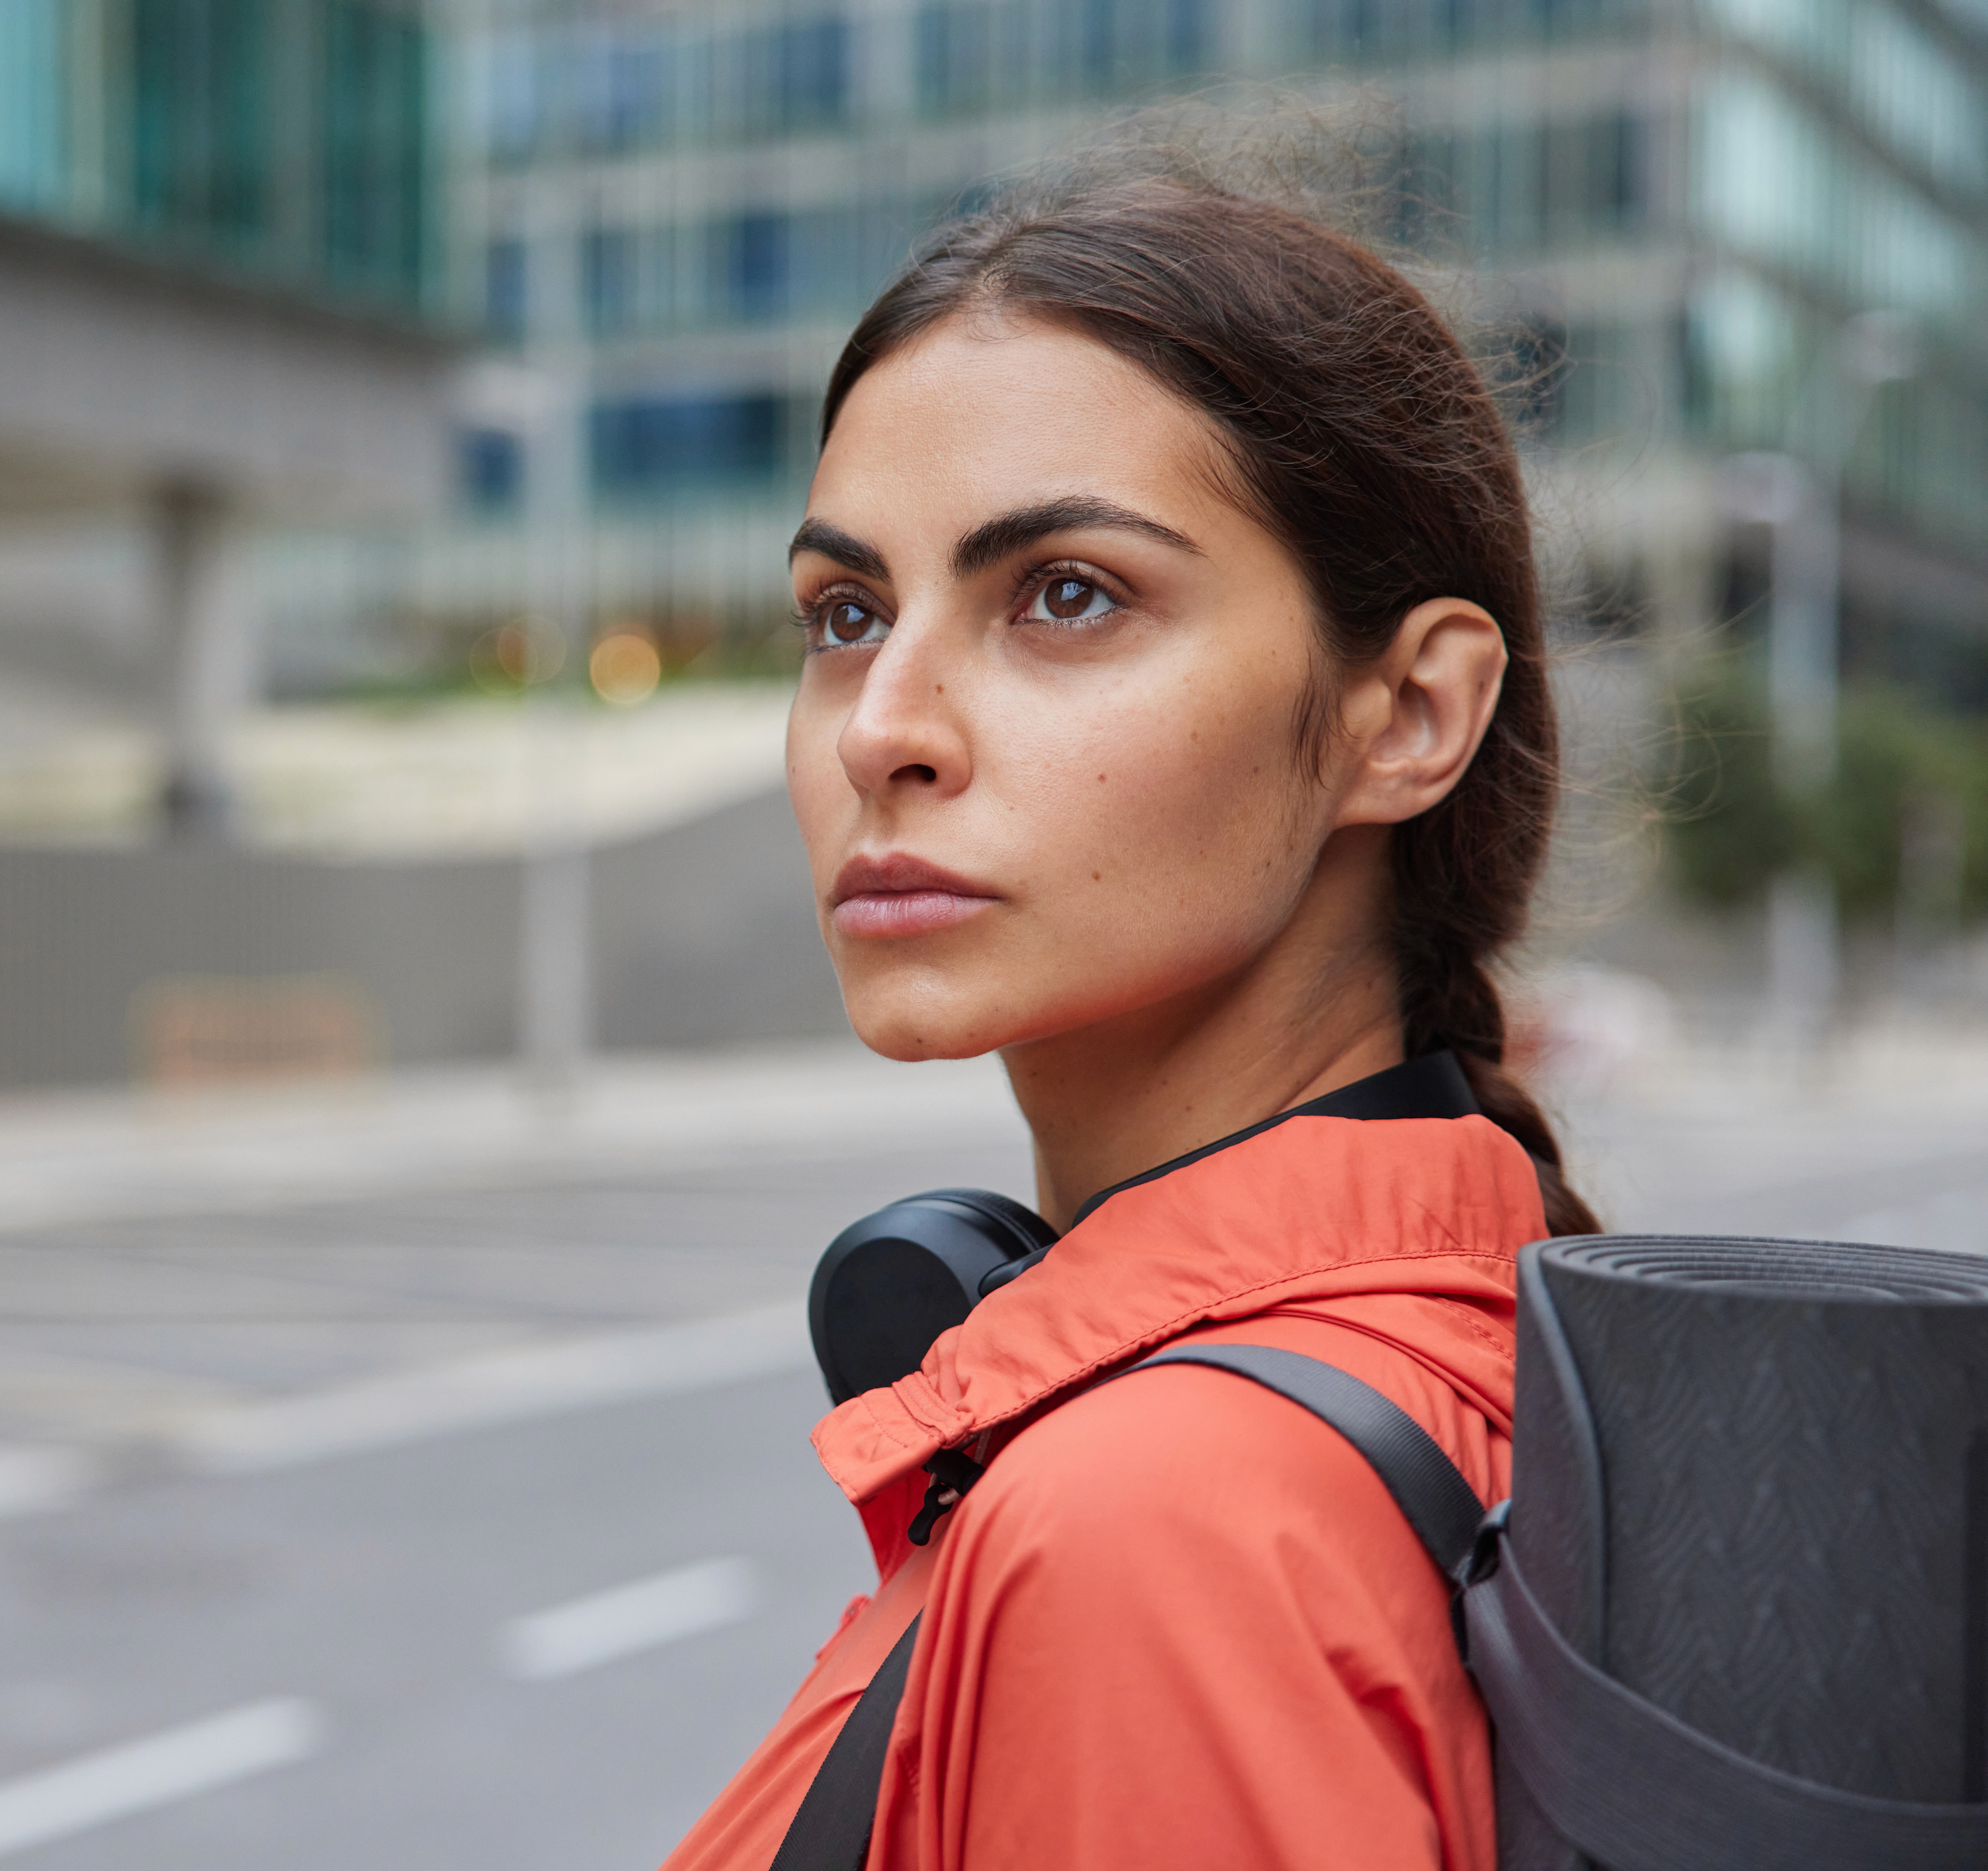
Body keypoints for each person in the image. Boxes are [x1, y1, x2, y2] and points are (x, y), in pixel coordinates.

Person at [661, 164, 1601, 1871]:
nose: (883, 726)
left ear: (1406, 713)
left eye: (1066, 594)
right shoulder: (1483, 1353)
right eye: (844, 613)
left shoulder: (1160, 1518)